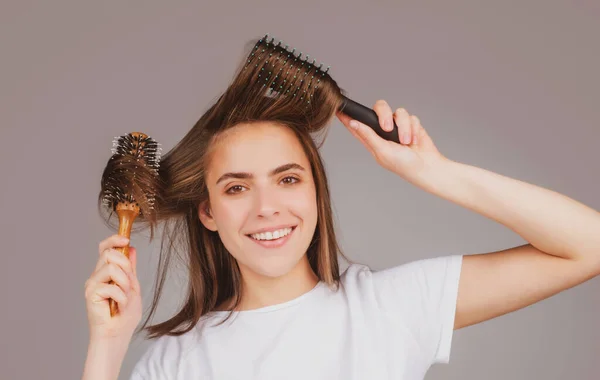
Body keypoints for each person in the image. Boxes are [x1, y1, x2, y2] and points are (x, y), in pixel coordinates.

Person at [82, 39, 600, 380]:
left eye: (287, 179)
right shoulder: (177, 364)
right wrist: (107, 346)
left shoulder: (389, 309)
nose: (267, 209)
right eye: (237, 188)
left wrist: (439, 174)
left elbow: (588, 245)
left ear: (316, 193)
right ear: (208, 211)